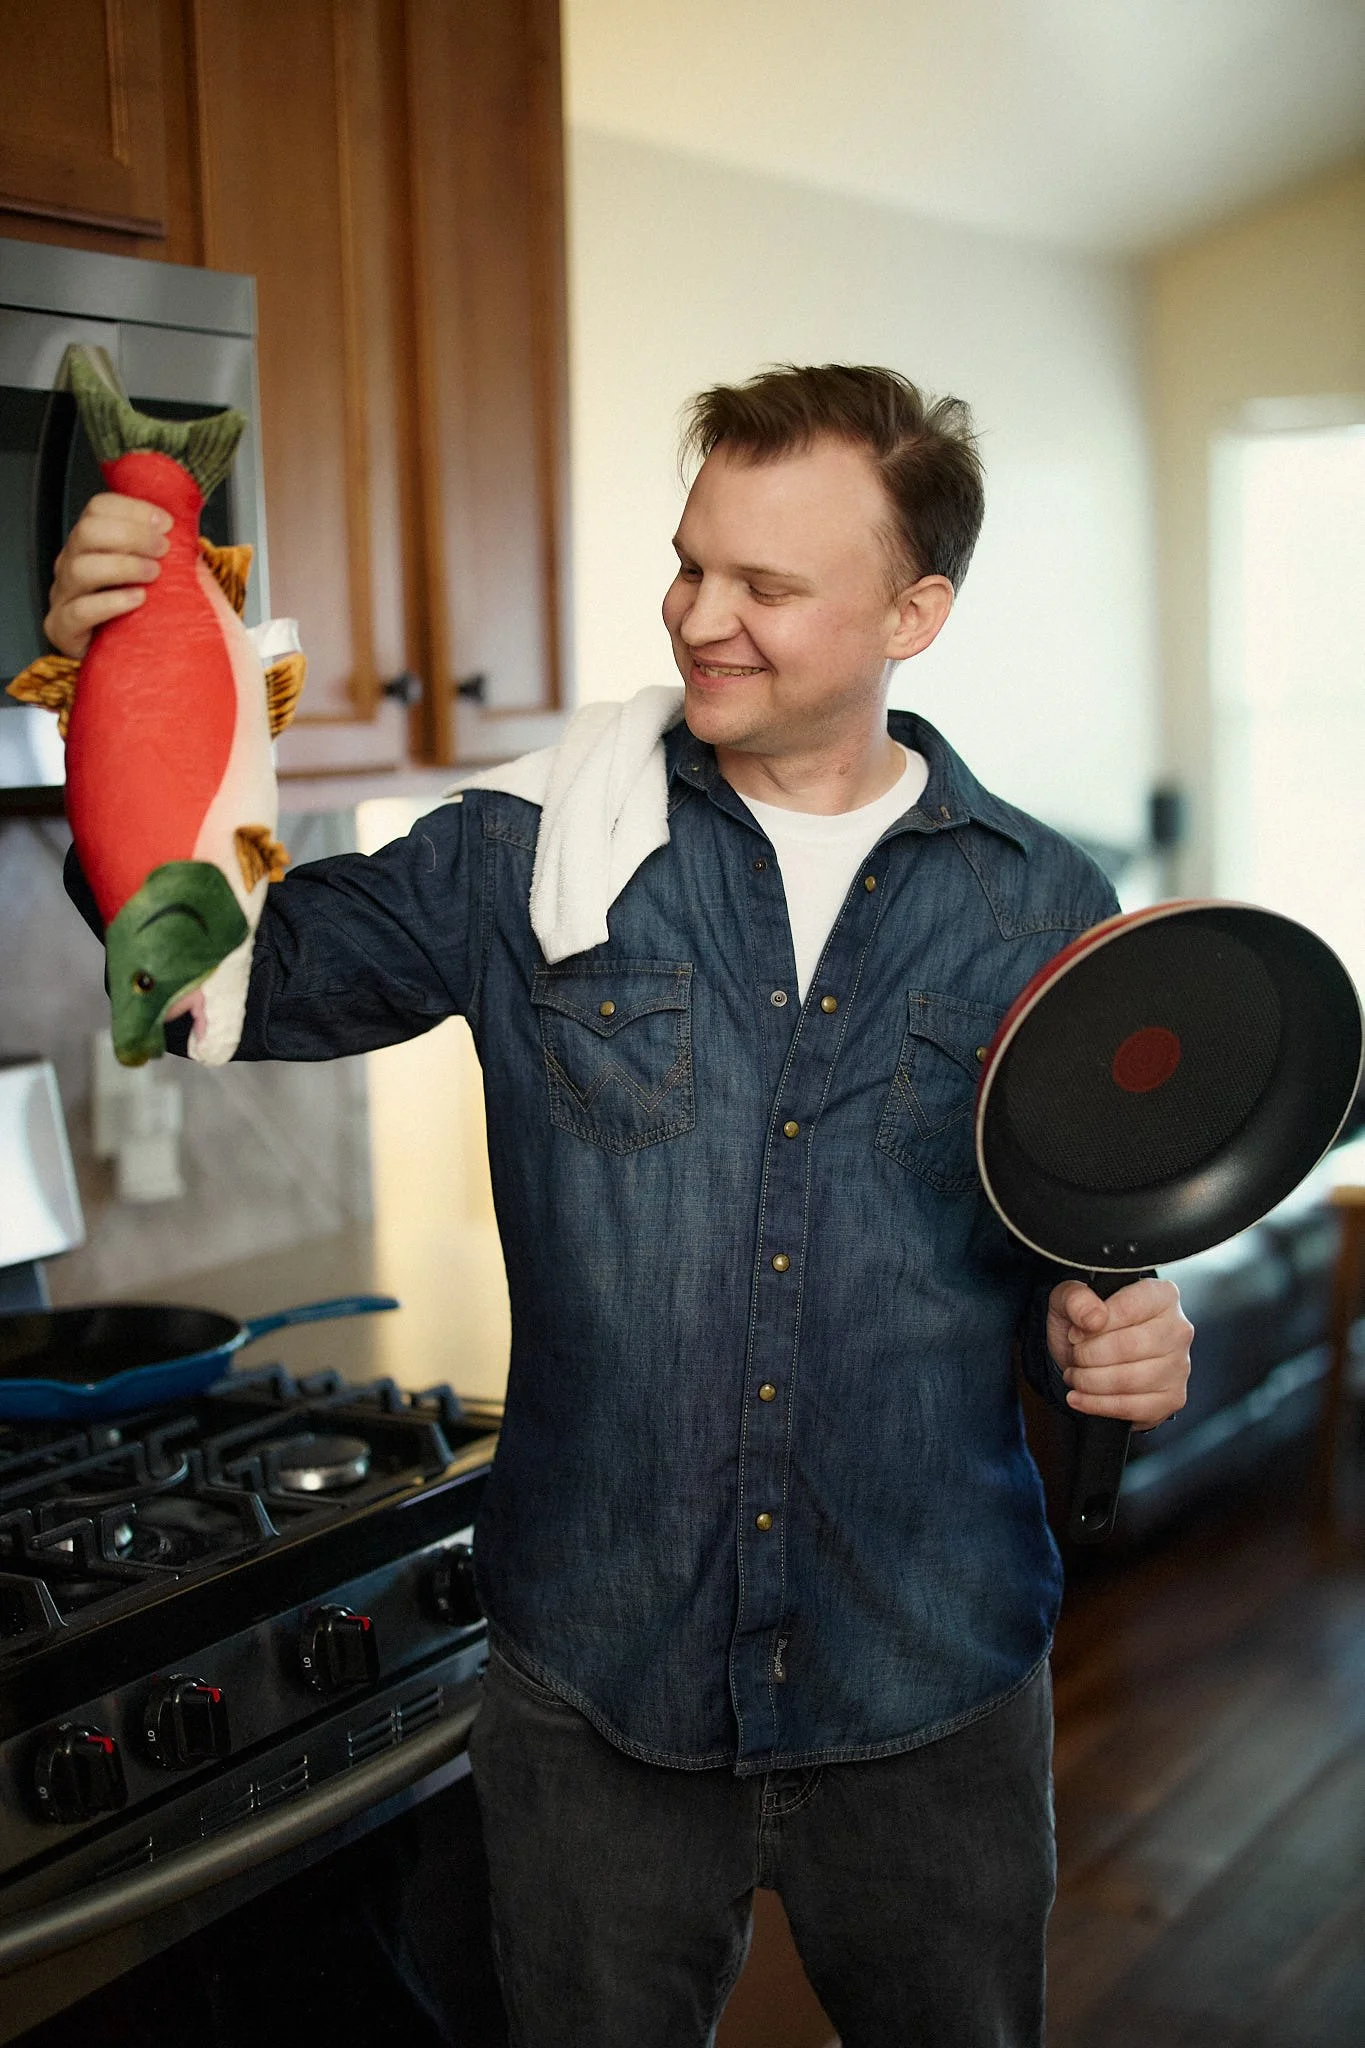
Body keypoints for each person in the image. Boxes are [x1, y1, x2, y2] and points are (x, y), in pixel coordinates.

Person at [51, 364, 1192, 2048]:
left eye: (767, 586)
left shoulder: (1042, 904)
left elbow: (1065, 1250)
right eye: (688, 563)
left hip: (928, 1688)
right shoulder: (530, 843)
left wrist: (1122, 1332)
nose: (697, 619)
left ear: (915, 610)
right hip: (598, 1695)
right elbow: (234, 979)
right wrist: (119, 675)